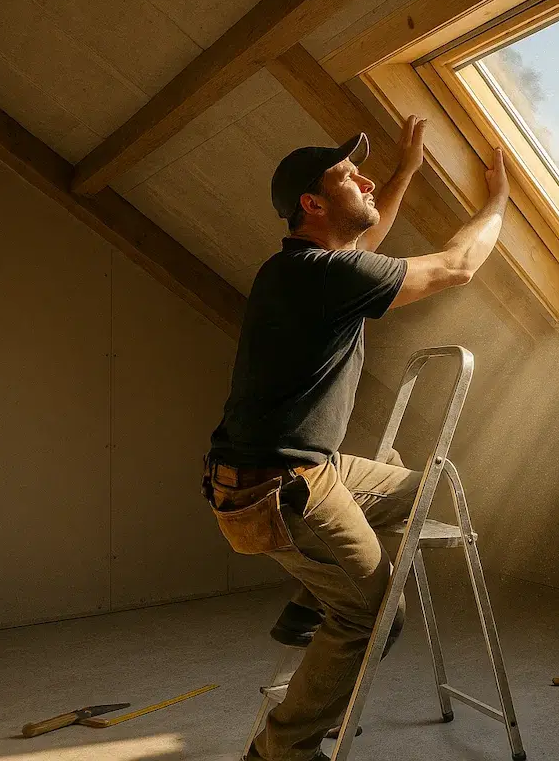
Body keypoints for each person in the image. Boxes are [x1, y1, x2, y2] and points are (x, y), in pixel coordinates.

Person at [203, 115, 509, 761]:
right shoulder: (323, 278)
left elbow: (367, 241)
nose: (365, 182)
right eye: (349, 176)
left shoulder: (303, 270)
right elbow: (457, 266)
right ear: (312, 204)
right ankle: (280, 753)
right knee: (373, 617)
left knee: (419, 491)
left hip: (301, 468)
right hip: (282, 488)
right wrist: (500, 200)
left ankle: (310, 597)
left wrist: (407, 172)